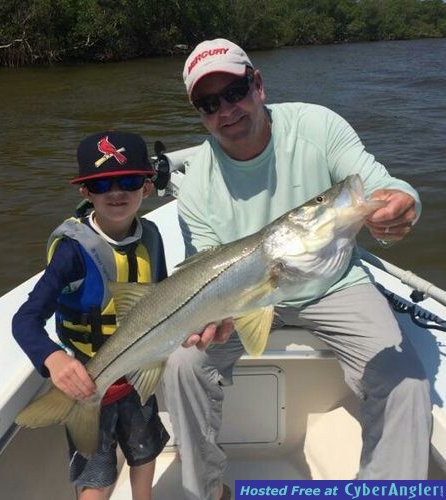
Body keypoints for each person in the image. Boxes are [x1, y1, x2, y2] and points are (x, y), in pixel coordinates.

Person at [162, 39, 432, 500]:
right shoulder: (196, 184)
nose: (226, 110)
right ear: (200, 115)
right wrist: (213, 317)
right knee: (183, 365)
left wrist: (403, 202)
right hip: (244, 296)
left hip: (333, 284)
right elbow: (208, 266)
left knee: (408, 383)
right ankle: (208, 490)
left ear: (259, 85)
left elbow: (379, 184)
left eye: (234, 91)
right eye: (209, 104)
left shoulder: (317, 125)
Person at [12, 131, 169, 500]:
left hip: (139, 372)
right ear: (86, 193)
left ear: (146, 188)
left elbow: (162, 299)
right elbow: (25, 320)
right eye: (102, 184)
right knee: (95, 472)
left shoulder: (154, 237)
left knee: (145, 451)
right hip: (86, 377)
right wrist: (53, 359)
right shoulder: (72, 251)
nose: (116, 192)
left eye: (129, 181)